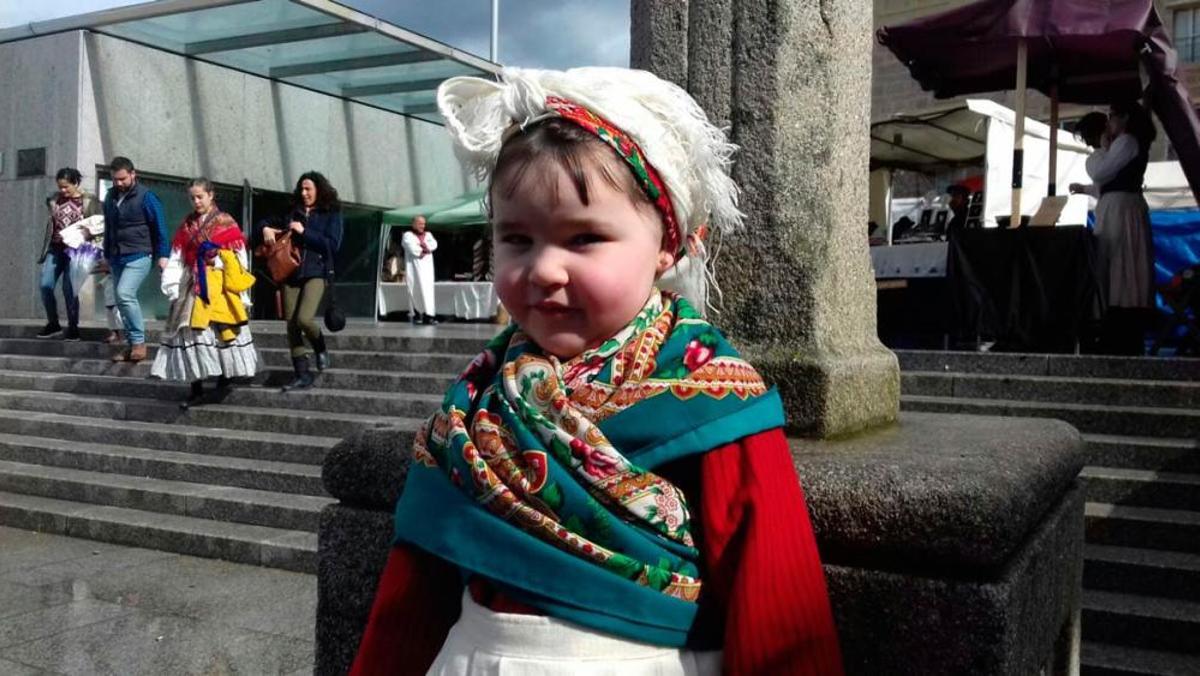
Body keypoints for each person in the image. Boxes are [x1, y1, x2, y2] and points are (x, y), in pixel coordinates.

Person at [350, 67, 842, 675]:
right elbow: (413, 593)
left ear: (672, 243)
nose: (544, 270)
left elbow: (780, 616)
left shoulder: (712, 402)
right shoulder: (477, 403)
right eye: (517, 239)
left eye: (584, 239)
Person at [151, 178, 258, 409]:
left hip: (219, 285)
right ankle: (196, 387)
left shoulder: (225, 221)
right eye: (192, 197)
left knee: (221, 331)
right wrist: (172, 282)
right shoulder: (187, 224)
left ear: (211, 195)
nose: (196, 201)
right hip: (193, 285)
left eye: (200, 196)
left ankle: (224, 377)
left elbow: (239, 256)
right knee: (190, 333)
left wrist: (224, 266)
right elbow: (178, 254)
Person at [1069, 103, 1157, 355]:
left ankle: (1123, 318)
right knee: (1118, 262)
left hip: (1122, 210)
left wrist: (1102, 148)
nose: (1109, 124)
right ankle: (1116, 315)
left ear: (1124, 118)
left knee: (1122, 262)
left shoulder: (1127, 141)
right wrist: (1083, 188)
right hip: (1117, 206)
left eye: (1112, 117)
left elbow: (1101, 172)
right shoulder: (1123, 144)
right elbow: (1104, 184)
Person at [257, 171, 343, 391]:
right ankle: (301, 373)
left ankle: (320, 347)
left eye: (309, 189)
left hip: (316, 271)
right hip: (290, 273)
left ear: (319, 190)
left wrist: (304, 232)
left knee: (304, 319)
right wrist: (265, 228)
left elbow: (332, 245)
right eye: (302, 189)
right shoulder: (291, 211)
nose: (304, 193)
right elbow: (264, 223)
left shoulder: (330, 213)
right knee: (291, 324)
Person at [103, 157, 168, 362]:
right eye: (115, 179)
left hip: (140, 253)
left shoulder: (146, 197)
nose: (119, 183)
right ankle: (131, 345)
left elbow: (160, 227)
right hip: (116, 255)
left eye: (122, 178)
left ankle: (139, 342)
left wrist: (163, 254)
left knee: (124, 293)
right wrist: (106, 254)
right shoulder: (110, 196)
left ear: (133, 174)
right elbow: (109, 228)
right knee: (121, 302)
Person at [38, 168, 102, 341]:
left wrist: (89, 234)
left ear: (76, 183)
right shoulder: (54, 199)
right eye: (60, 187)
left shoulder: (89, 201)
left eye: (66, 187)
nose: (63, 190)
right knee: (45, 285)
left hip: (77, 250)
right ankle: (53, 323)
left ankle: (73, 327)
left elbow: (100, 224)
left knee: (69, 289)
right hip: (56, 248)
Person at [402, 215, 438, 324]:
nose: (422, 226)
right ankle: (418, 314)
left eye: (424, 224)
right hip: (414, 268)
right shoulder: (408, 235)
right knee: (415, 289)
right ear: (414, 224)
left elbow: (434, 244)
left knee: (427, 290)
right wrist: (423, 250)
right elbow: (412, 248)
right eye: (420, 223)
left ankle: (429, 315)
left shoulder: (428, 234)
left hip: (427, 268)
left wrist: (424, 247)